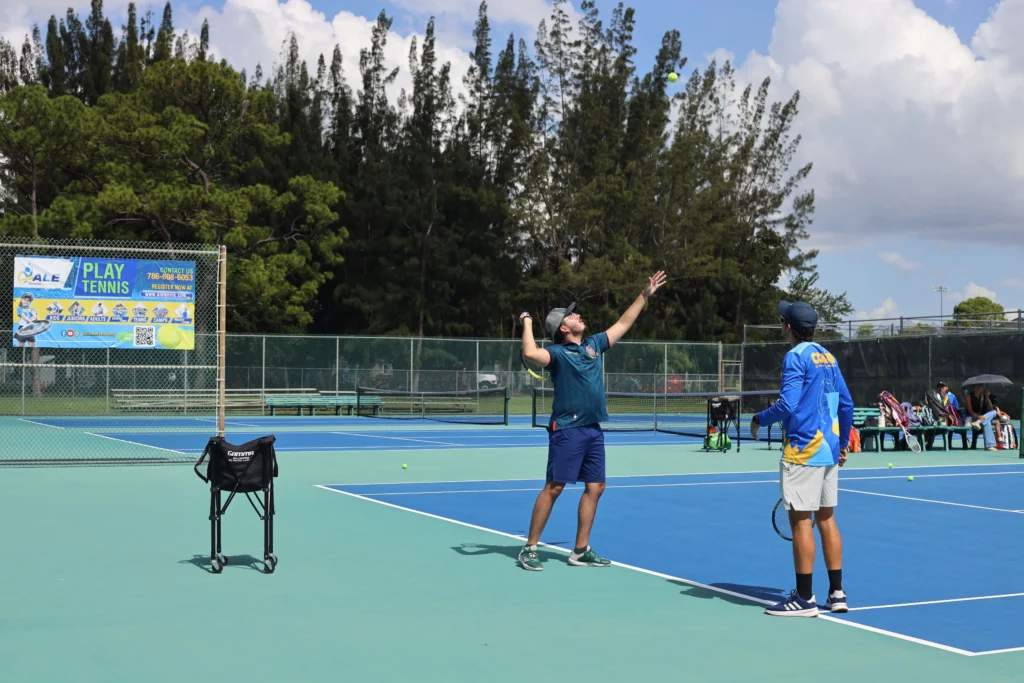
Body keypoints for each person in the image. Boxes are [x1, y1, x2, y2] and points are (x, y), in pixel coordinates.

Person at [517, 271, 667, 571]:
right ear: (563, 328)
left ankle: (580, 550)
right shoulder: (557, 354)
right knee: (555, 487)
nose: (579, 315)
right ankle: (529, 547)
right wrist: (527, 320)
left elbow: (624, 322)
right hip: (567, 430)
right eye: (572, 315)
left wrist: (645, 294)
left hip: (593, 430)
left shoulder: (594, 345)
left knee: (596, 486)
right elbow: (530, 352)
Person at [750, 301, 854, 617]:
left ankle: (804, 598)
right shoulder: (829, 357)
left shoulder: (795, 357)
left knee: (801, 522)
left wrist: (759, 419)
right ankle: (837, 593)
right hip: (828, 449)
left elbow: (788, 405)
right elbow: (846, 404)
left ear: (788, 327)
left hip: (803, 450)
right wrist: (843, 443)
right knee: (826, 518)